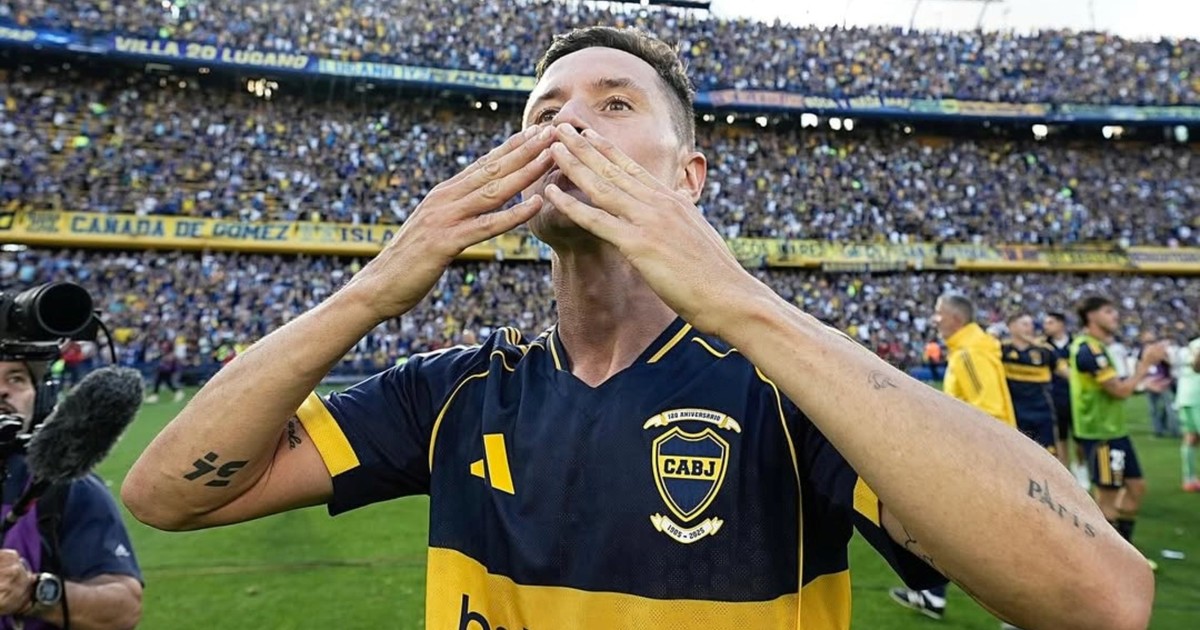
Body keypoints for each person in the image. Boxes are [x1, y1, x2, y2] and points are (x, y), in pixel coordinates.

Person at [122, 27, 1152, 630]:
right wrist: (373, 289)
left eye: (614, 104)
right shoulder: (453, 390)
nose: (566, 123)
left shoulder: (791, 390)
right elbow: (166, 494)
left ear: (688, 176)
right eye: (543, 112)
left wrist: (741, 302)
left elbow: (1101, 599)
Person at [889, 294, 1017, 622]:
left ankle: (1022, 610)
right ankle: (933, 593)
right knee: (950, 529)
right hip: (982, 458)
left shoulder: (970, 352)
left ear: (955, 319)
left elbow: (988, 411)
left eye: (938, 313)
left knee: (974, 536)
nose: (934, 320)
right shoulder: (969, 348)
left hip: (983, 460)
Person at [0, 360, 143, 630]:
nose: (2, 390)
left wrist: (30, 593)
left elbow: (124, 609)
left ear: (41, 397)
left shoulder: (67, 486)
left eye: (16, 378)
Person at [1069, 296, 1169, 555]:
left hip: (1116, 431)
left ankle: (1123, 551)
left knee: (1136, 489)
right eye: (1108, 311)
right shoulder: (1088, 350)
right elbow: (1119, 391)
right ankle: (1104, 558)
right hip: (1101, 434)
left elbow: (1120, 387)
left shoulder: (1099, 348)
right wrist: (1145, 365)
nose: (1115, 316)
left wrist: (1142, 384)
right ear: (1091, 316)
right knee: (1107, 499)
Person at [1001, 313, 1058, 453]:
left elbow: (1064, 371)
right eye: (1024, 324)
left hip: (1042, 412)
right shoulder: (1001, 350)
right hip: (1015, 413)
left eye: (1031, 324)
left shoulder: (1045, 351)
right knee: (1019, 453)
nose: (1029, 328)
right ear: (1012, 327)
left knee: (1047, 454)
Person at [1043, 312, 1077, 470]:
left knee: (1079, 438)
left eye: (1050, 322)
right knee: (1060, 438)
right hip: (1054, 398)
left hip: (1077, 398)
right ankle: (1066, 470)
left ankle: (1081, 468)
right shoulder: (1044, 346)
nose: (1046, 326)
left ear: (1061, 324)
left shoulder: (1076, 344)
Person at [1138, 331, 1179, 438]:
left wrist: (1160, 356)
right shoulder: (1142, 350)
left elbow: (1170, 363)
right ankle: (1159, 430)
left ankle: (1174, 430)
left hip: (1162, 381)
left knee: (1168, 408)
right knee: (1155, 409)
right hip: (1150, 382)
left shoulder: (1160, 348)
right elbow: (1140, 365)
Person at [1174, 331, 1200, 492]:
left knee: (1190, 438)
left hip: (1185, 395)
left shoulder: (1192, 344)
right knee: (1191, 438)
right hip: (1197, 396)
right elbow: (1197, 364)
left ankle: (1189, 479)